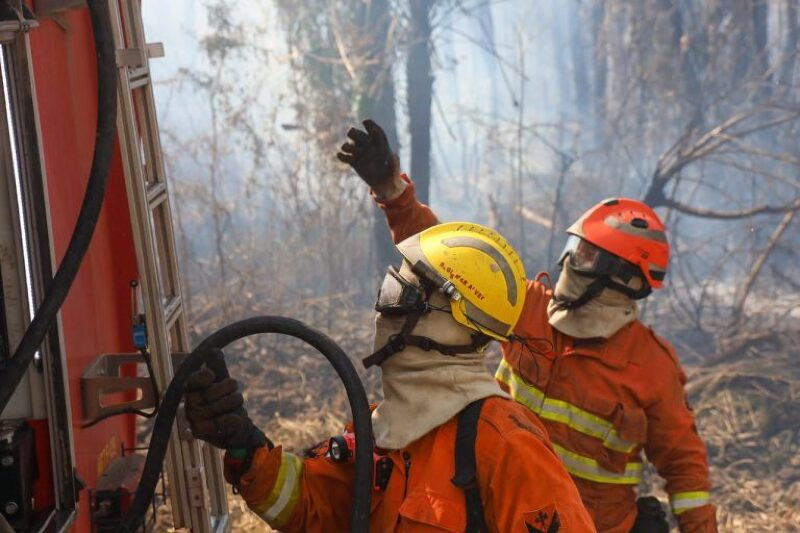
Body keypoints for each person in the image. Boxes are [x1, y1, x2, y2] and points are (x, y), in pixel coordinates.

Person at [336, 120, 717, 533]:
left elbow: (687, 473)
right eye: (574, 247)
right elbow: (450, 267)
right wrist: (394, 193)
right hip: (498, 512)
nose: (569, 261)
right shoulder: (530, 308)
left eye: (587, 255)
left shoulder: (652, 368)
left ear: (625, 278)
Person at [184, 222, 595, 532]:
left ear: (451, 321)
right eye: (389, 289)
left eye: (402, 294)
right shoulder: (385, 428)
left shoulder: (506, 445)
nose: (384, 309)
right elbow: (313, 508)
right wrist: (244, 445)